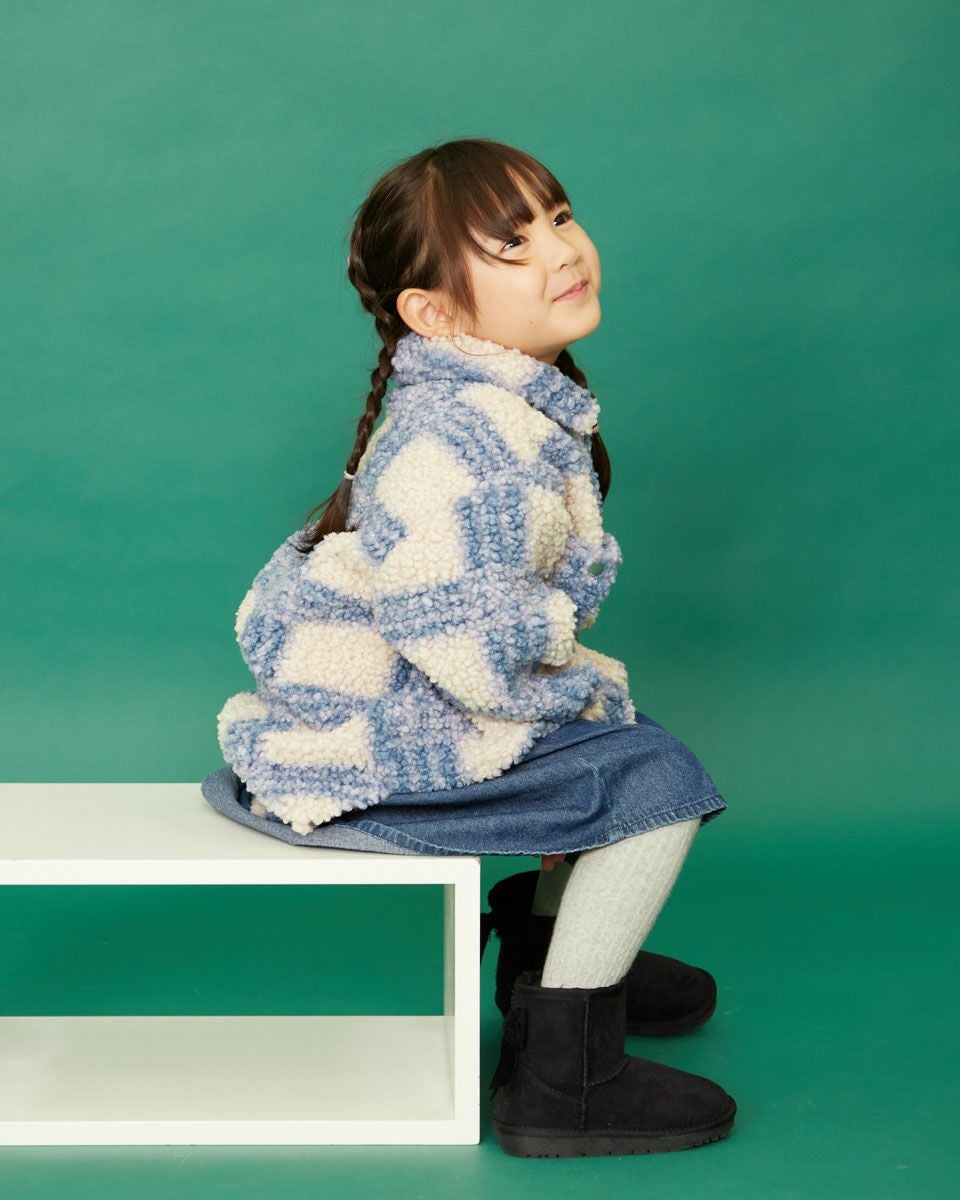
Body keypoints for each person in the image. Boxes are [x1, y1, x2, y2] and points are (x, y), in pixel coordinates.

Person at [201, 137, 736, 1157]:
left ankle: (555, 961)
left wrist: (572, 690)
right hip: (379, 742)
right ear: (435, 313)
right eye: (512, 243)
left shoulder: (504, 405)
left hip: (411, 698)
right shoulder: (467, 441)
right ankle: (563, 1082)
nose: (561, 250)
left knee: (614, 744)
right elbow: (461, 640)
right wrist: (568, 678)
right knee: (656, 779)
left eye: (558, 217)